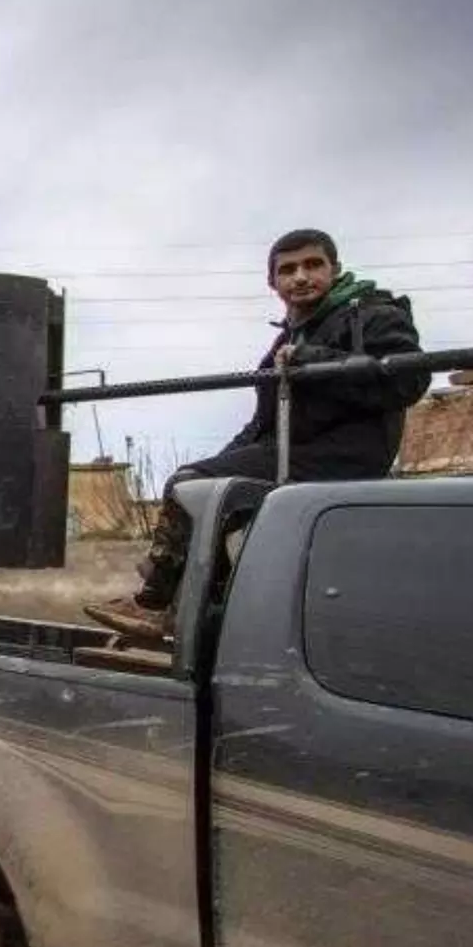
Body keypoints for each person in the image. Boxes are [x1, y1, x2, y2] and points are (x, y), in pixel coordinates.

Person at [86, 229, 432, 640]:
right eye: (288, 270)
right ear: (273, 283)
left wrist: (311, 359)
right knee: (195, 485)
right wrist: (214, 463)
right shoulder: (288, 336)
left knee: (191, 486)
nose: (301, 277)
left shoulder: (372, 314)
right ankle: (213, 614)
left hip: (343, 453)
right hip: (289, 447)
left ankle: (155, 603)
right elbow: (262, 423)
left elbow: (410, 380)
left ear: (334, 270)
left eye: (313, 265)